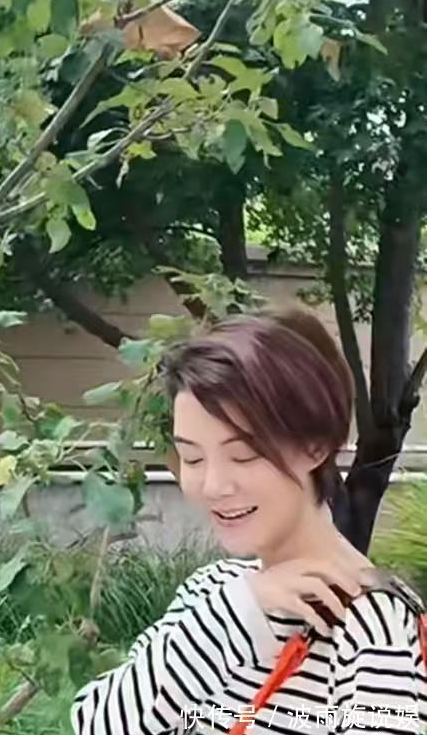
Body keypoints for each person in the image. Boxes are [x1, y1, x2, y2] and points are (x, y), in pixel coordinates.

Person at [70, 308, 427, 735]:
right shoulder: (212, 591)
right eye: (192, 458)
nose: (213, 486)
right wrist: (240, 608)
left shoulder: (375, 630)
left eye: (243, 456)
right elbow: (96, 725)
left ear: (315, 446)